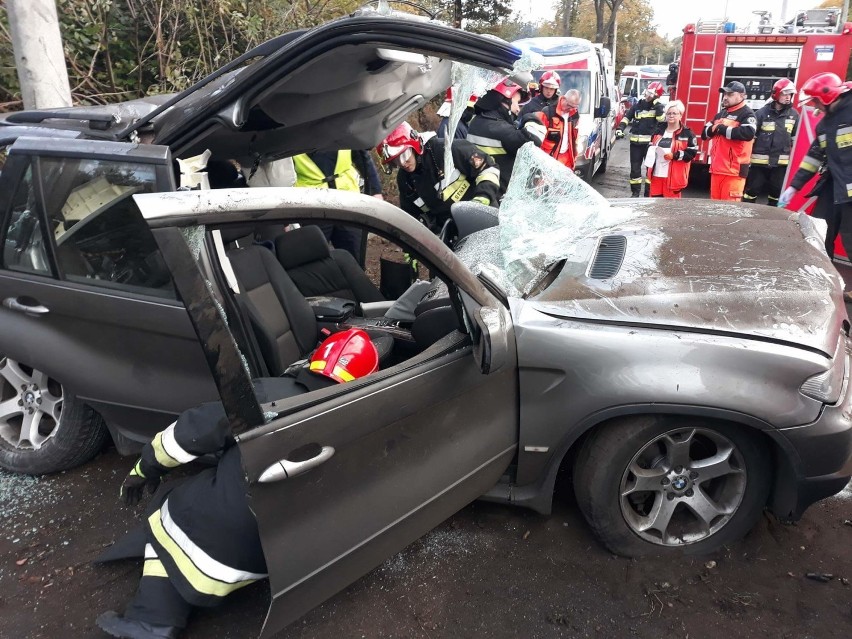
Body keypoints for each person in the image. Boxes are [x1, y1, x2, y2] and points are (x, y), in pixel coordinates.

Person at [95, 329, 379, 639]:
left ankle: (151, 621)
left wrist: (145, 467)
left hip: (218, 551)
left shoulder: (268, 393)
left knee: (169, 514)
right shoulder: (367, 418)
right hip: (281, 557)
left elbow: (189, 432)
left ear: (314, 360)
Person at [376, 121, 500, 233]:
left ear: (414, 144)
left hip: (484, 216)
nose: (403, 163)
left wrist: (482, 198)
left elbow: (488, 168)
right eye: (395, 161)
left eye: (404, 156)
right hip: (453, 232)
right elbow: (411, 217)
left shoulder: (447, 150)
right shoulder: (405, 180)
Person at [779, 73, 852, 262]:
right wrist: (794, 186)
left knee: (851, 239)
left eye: (815, 101)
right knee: (819, 232)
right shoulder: (825, 124)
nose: (815, 106)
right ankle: (824, 278)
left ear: (825, 97)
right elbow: (814, 157)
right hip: (834, 185)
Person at [291, 150, 384, 264]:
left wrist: (375, 190)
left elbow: (361, 155)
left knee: (354, 258)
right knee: (314, 262)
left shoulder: (342, 132)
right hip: (313, 205)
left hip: (348, 202)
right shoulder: (293, 135)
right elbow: (282, 173)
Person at [467, 77, 544, 193]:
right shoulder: (500, 129)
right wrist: (530, 117)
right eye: (517, 103)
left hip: (481, 187)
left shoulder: (477, 122)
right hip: (498, 194)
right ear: (504, 101)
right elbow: (535, 137)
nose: (518, 109)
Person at [742, 78, 799, 206]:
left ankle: (773, 218)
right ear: (776, 94)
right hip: (759, 164)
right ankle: (745, 214)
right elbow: (751, 138)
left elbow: (796, 141)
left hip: (781, 164)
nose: (788, 97)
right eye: (785, 94)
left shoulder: (794, 115)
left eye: (790, 94)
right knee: (752, 190)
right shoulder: (761, 113)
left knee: (776, 192)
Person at [702, 81, 757, 201]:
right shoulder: (721, 114)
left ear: (742, 96)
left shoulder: (747, 114)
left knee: (729, 213)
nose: (725, 97)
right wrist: (714, 129)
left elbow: (748, 133)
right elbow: (704, 134)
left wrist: (720, 129)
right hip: (717, 170)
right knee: (715, 210)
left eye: (730, 94)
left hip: (734, 172)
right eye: (725, 94)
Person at [616, 81, 666, 197]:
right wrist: (620, 129)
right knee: (635, 170)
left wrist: (658, 105)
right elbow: (626, 118)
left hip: (650, 146)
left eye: (651, 94)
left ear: (656, 96)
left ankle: (648, 194)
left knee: (650, 170)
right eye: (648, 92)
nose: (647, 95)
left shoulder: (658, 108)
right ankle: (635, 193)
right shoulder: (638, 105)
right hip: (635, 144)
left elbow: (661, 120)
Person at [644, 100, 698, 198]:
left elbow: (692, 153)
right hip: (656, 175)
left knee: (670, 209)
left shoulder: (687, 133)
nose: (671, 116)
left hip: (674, 179)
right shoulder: (658, 130)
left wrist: (674, 155)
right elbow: (650, 146)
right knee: (654, 207)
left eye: (674, 113)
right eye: (668, 113)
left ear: (680, 115)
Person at [521, 89, 582, 170]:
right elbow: (536, 136)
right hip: (549, 160)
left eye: (573, 107)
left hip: (567, 160)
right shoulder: (548, 112)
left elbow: (574, 138)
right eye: (568, 105)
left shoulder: (575, 116)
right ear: (563, 98)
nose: (570, 109)